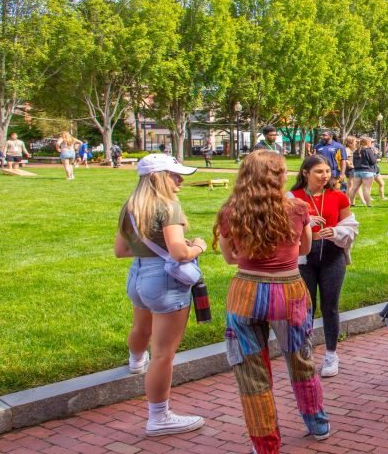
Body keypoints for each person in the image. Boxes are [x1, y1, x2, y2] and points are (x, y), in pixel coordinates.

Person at [214, 151, 330, 449]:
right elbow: (304, 246)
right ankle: (317, 422)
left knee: (252, 373)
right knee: (301, 359)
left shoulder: (232, 211)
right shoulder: (298, 208)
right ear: (279, 176)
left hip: (246, 292)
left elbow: (229, 258)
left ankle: (265, 444)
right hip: (288, 290)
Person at [113, 153, 205, 436]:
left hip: (138, 275)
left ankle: (135, 361)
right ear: (158, 177)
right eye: (174, 175)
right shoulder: (169, 207)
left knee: (141, 327)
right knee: (164, 353)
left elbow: (121, 250)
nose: (179, 181)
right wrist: (197, 246)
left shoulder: (131, 206)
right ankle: (159, 416)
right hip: (164, 281)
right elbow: (179, 252)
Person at [290, 156, 353, 377]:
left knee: (330, 305)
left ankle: (331, 354)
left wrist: (336, 232)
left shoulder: (338, 196)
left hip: (332, 254)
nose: (325, 175)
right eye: (319, 171)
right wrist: (305, 224)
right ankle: (305, 352)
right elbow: (282, 228)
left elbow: (351, 226)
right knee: (305, 307)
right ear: (305, 173)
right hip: (304, 257)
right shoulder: (293, 197)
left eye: (327, 171)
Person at [348, 136, 379, 207]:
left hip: (357, 171)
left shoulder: (356, 151)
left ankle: (352, 203)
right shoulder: (368, 150)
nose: (371, 143)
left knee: (354, 188)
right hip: (367, 171)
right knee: (366, 189)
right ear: (367, 142)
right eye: (371, 142)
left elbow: (354, 162)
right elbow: (373, 162)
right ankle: (369, 205)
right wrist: (376, 155)